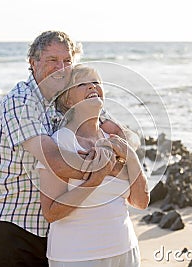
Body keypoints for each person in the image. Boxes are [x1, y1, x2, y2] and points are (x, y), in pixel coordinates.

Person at [0, 31, 127, 267]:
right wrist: (104, 167)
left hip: (55, 229)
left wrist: (114, 154)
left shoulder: (68, 99)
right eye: (52, 60)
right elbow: (54, 161)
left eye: (67, 61)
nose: (61, 67)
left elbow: (118, 132)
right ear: (33, 63)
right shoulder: (22, 100)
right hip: (13, 226)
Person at [38, 65, 150, 267]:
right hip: (76, 256)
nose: (92, 87)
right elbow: (51, 213)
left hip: (124, 250)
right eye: (82, 84)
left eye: (96, 82)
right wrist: (95, 179)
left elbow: (141, 201)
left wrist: (132, 158)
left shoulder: (116, 141)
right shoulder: (60, 143)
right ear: (67, 100)